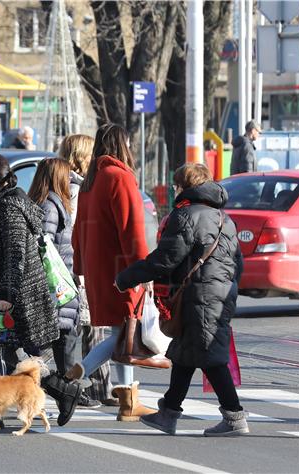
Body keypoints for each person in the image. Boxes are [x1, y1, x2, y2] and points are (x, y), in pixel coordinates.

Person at [116, 163, 248, 437]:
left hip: (199, 296)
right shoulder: (225, 218)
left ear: (185, 186)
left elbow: (165, 259)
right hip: (219, 295)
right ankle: (168, 413)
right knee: (187, 352)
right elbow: (239, 264)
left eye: (176, 184)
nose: (174, 189)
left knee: (210, 357)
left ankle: (235, 418)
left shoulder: (186, 215)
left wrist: (126, 278)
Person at [0, 152, 82, 426]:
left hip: (11, 295)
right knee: (13, 355)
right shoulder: (0, 205)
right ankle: (63, 389)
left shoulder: (9, 209)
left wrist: (6, 294)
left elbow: (16, 252)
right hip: (3, 292)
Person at [66, 123, 156, 422]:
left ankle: (128, 401)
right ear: (123, 143)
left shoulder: (91, 180)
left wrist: (80, 265)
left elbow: (79, 228)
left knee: (122, 332)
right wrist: (143, 268)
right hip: (122, 268)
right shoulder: (120, 176)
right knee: (124, 331)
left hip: (98, 268)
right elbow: (132, 229)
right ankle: (77, 375)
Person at [57, 134, 118, 408]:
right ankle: (95, 388)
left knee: (89, 328)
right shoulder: (76, 188)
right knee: (90, 328)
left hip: (76, 263)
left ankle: (99, 387)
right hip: (77, 265)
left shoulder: (69, 185)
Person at [27, 159, 81, 378]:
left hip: (58, 281)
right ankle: (67, 387)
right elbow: (44, 245)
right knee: (61, 335)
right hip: (56, 282)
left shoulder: (48, 202)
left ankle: (67, 386)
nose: (70, 181)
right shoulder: (50, 205)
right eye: (67, 176)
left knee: (62, 335)